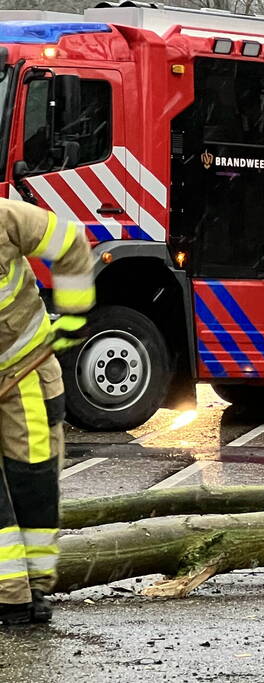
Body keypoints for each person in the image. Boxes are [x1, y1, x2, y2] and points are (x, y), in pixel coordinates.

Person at [0, 200, 94, 625]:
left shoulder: (7, 219)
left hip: (25, 374)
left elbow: (70, 242)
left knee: (31, 479)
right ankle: (12, 595)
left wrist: (73, 314)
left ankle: (32, 590)